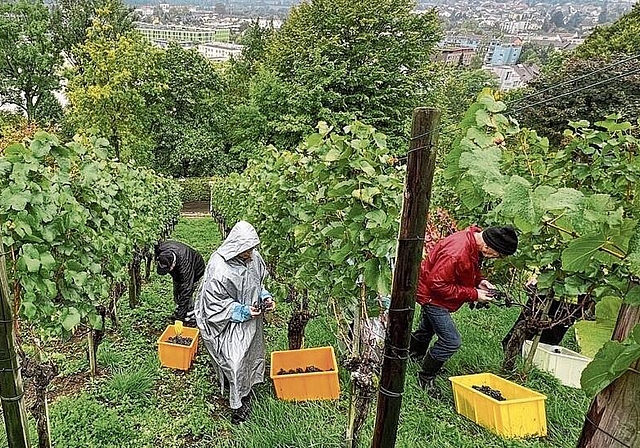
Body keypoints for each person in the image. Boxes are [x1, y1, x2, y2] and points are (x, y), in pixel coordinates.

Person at [409, 225, 518, 392]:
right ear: (489, 247)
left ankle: (413, 356)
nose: (496, 258)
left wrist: (478, 281)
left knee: (427, 329)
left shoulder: (473, 241)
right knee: (451, 341)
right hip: (432, 297)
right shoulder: (457, 251)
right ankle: (426, 377)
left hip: (435, 293)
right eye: (499, 255)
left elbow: (465, 269)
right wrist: (474, 294)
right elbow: (437, 284)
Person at [194, 221, 275, 424]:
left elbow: (258, 283)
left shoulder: (254, 259)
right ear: (236, 246)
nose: (250, 253)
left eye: (252, 249)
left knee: (252, 353)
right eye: (246, 250)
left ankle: (246, 387)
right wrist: (242, 311)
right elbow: (213, 304)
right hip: (227, 322)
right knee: (235, 361)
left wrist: (264, 297)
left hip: (251, 319)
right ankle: (239, 405)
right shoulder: (219, 267)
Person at [155, 240, 205, 327]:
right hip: (179, 270)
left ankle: (190, 317)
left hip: (196, 271)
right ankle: (181, 312)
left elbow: (186, 290)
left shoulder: (185, 266)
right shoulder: (162, 249)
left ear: (173, 264)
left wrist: (179, 320)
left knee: (187, 295)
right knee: (177, 293)